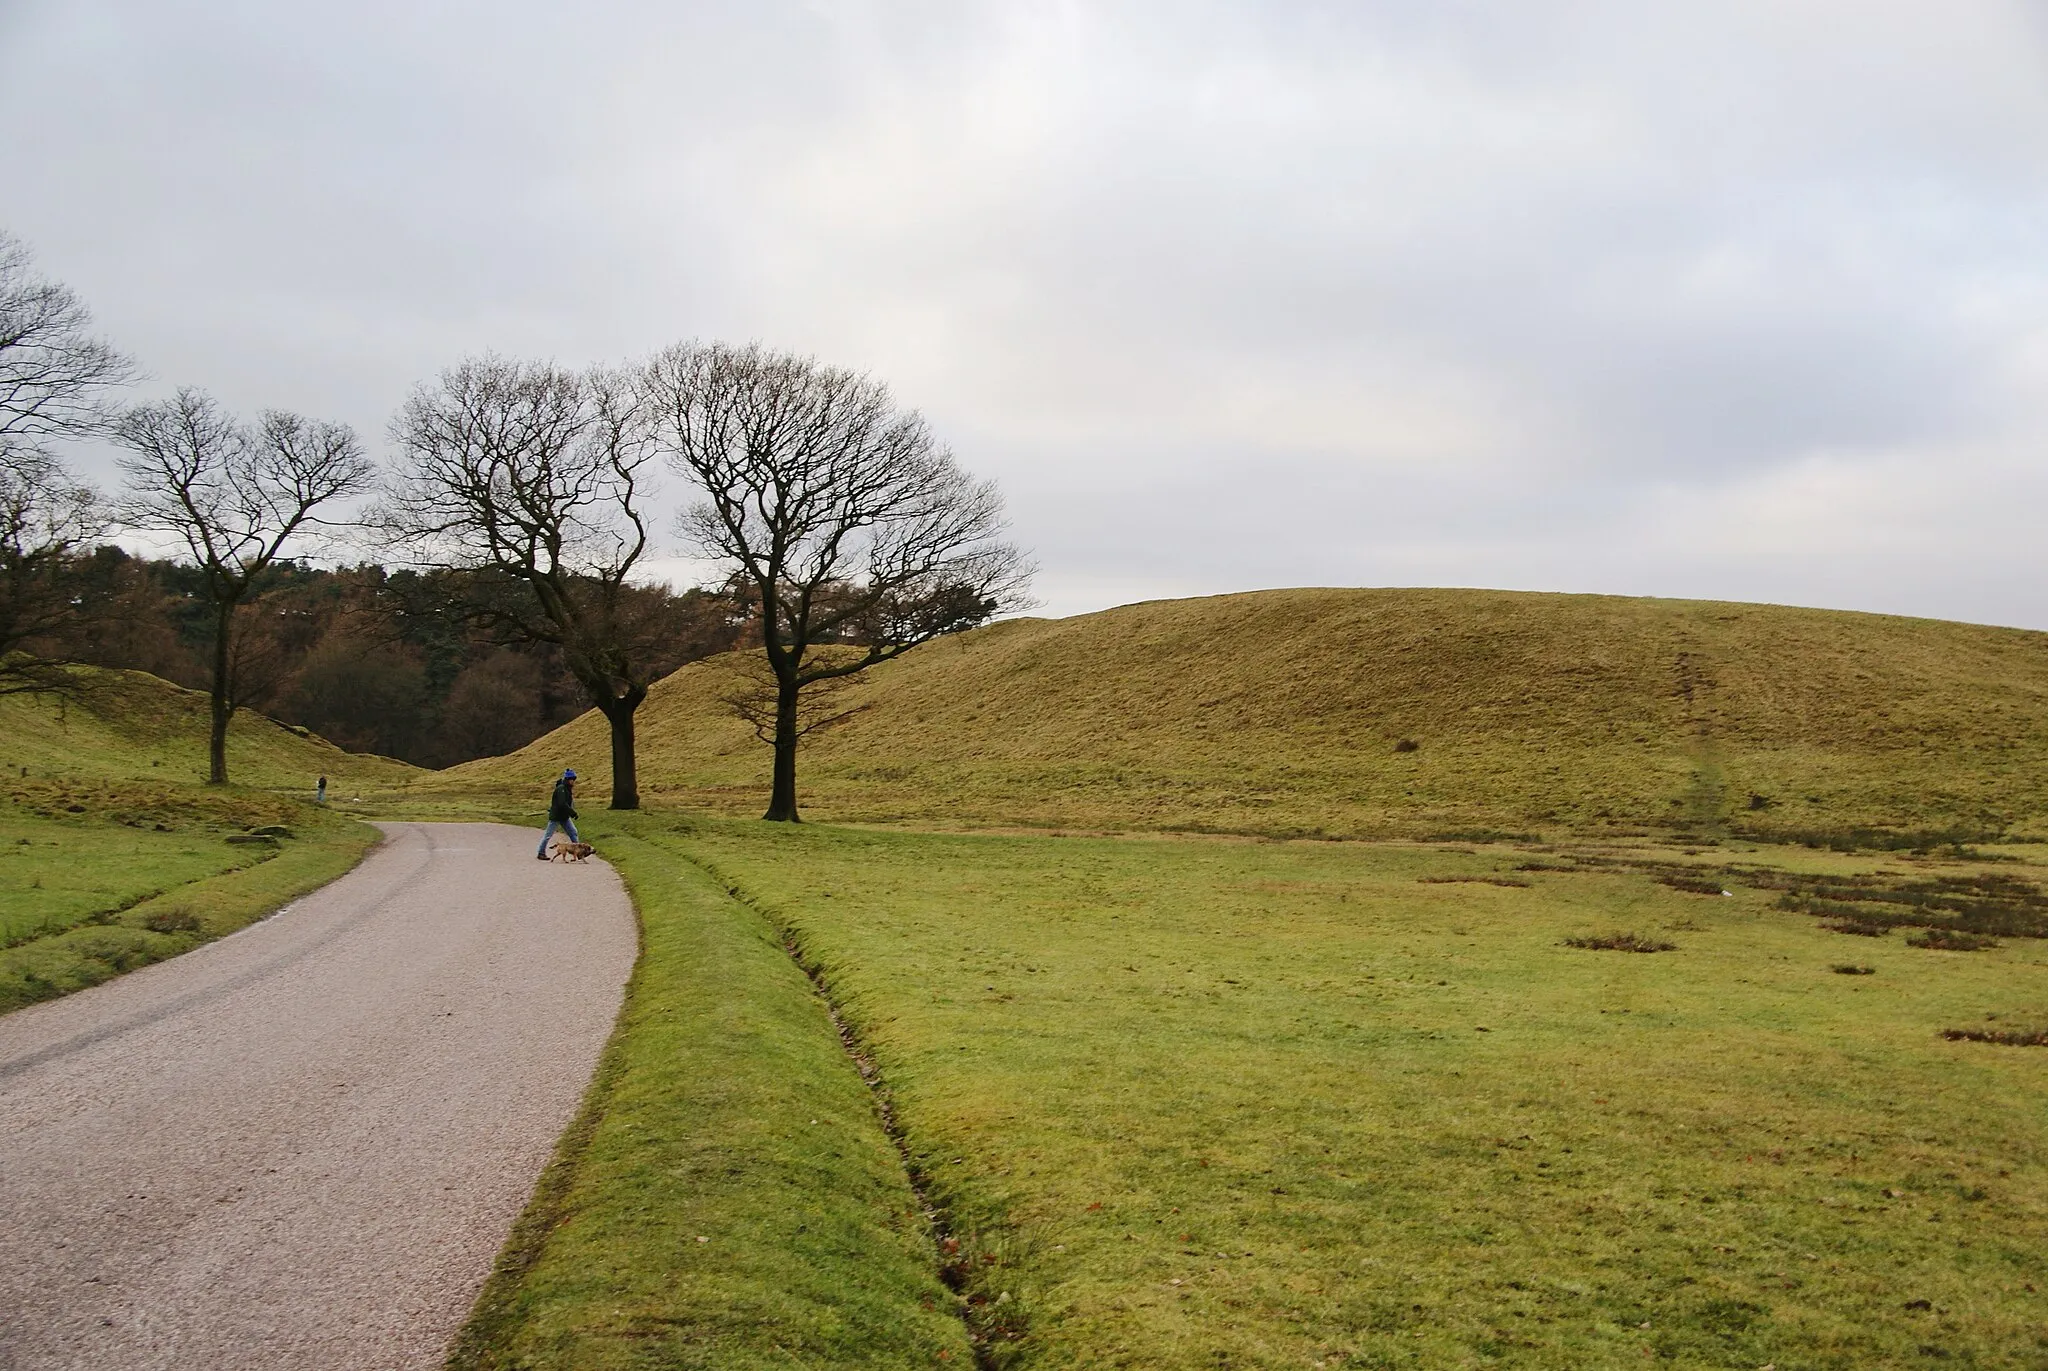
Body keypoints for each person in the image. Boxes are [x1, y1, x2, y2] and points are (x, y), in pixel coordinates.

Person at [537, 768, 579, 860]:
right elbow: (562, 804)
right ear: (568, 780)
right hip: (556, 817)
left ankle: (578, 852)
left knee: (573, 832)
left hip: (564, 817)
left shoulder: (567, 789)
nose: (573, 781)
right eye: (572, 779)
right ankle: (541, 852)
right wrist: (572, 813)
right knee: (548, 835)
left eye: (574, 779)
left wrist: (571, 812)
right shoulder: (561, 789)